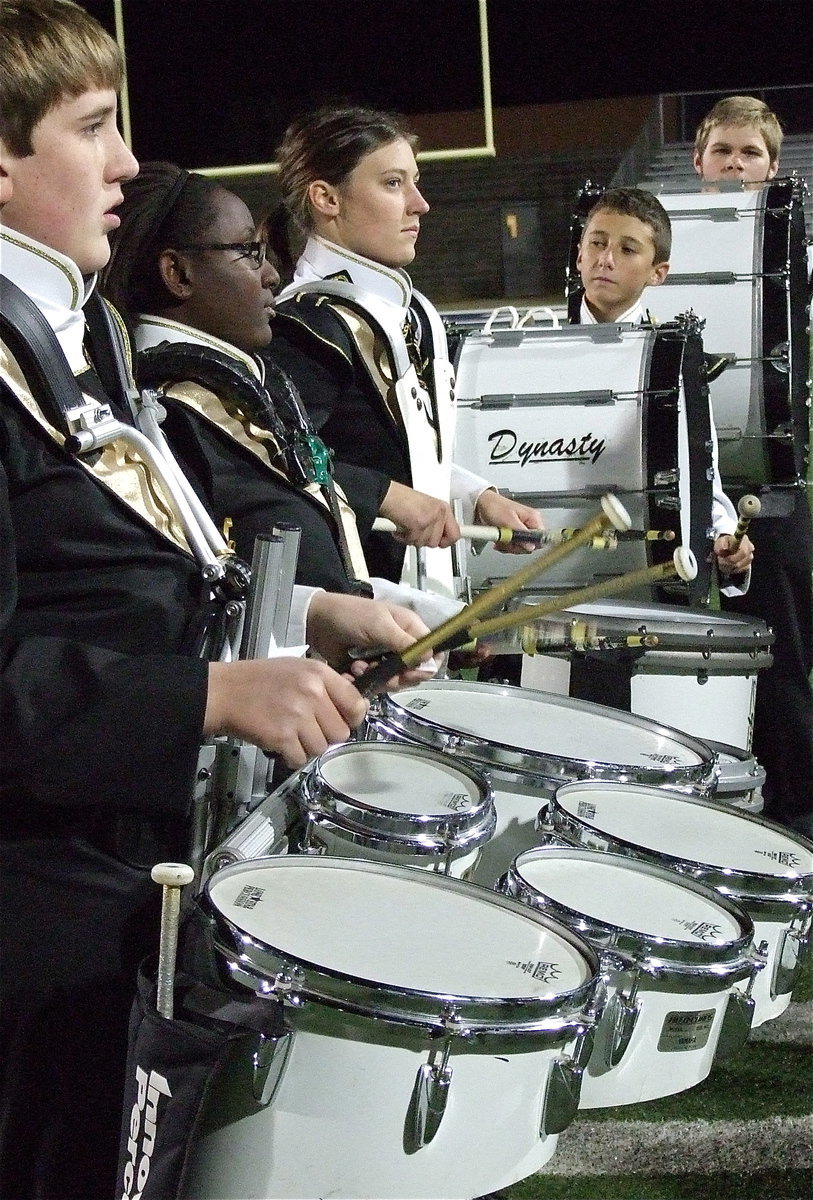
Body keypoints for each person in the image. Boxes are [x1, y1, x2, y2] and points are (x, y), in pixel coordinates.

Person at [0, 5, 430, 1197]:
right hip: (39, 906)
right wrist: (208, 692)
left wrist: (305, 621)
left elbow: (109, 575)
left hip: (107, 863)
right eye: (92, 128)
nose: (130, 164)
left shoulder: (61, 329)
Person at [101, 160, 473, 629]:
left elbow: (312, 578)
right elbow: (215, 601)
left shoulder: (225, 390)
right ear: (178, 273)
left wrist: (432, 616)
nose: (272, 273)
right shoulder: (169, 413)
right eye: (249, 252)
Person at [263, 104, 545, 596]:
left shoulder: (404, 309)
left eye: (414, 181)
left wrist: (475, 495)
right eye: (394, 183)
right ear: (327, 198)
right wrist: (387, 498)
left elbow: (396, 454)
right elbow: (272, 460)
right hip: (349, 613)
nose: (420, 203)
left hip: (415, 606)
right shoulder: (304, 326)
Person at [692, 96, 813, 838]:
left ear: (774, 168)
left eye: (750, 154)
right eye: (721, 151)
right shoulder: (655, 242)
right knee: (673, 646)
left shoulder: (797, 252)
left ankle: (797, 809)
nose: (734, 165)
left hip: (769, 479)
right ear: (700, 160)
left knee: (779, 648)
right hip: (672, 476)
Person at [574, 186, 754, 587]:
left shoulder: (674, 361)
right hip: (552, 574)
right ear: (579, 255)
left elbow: (701, 474)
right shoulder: (530, 351)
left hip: (649, 570)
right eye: (597, 243)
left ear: (658, 273)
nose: (606, 259)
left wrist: (726, 537)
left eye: (628, 249)